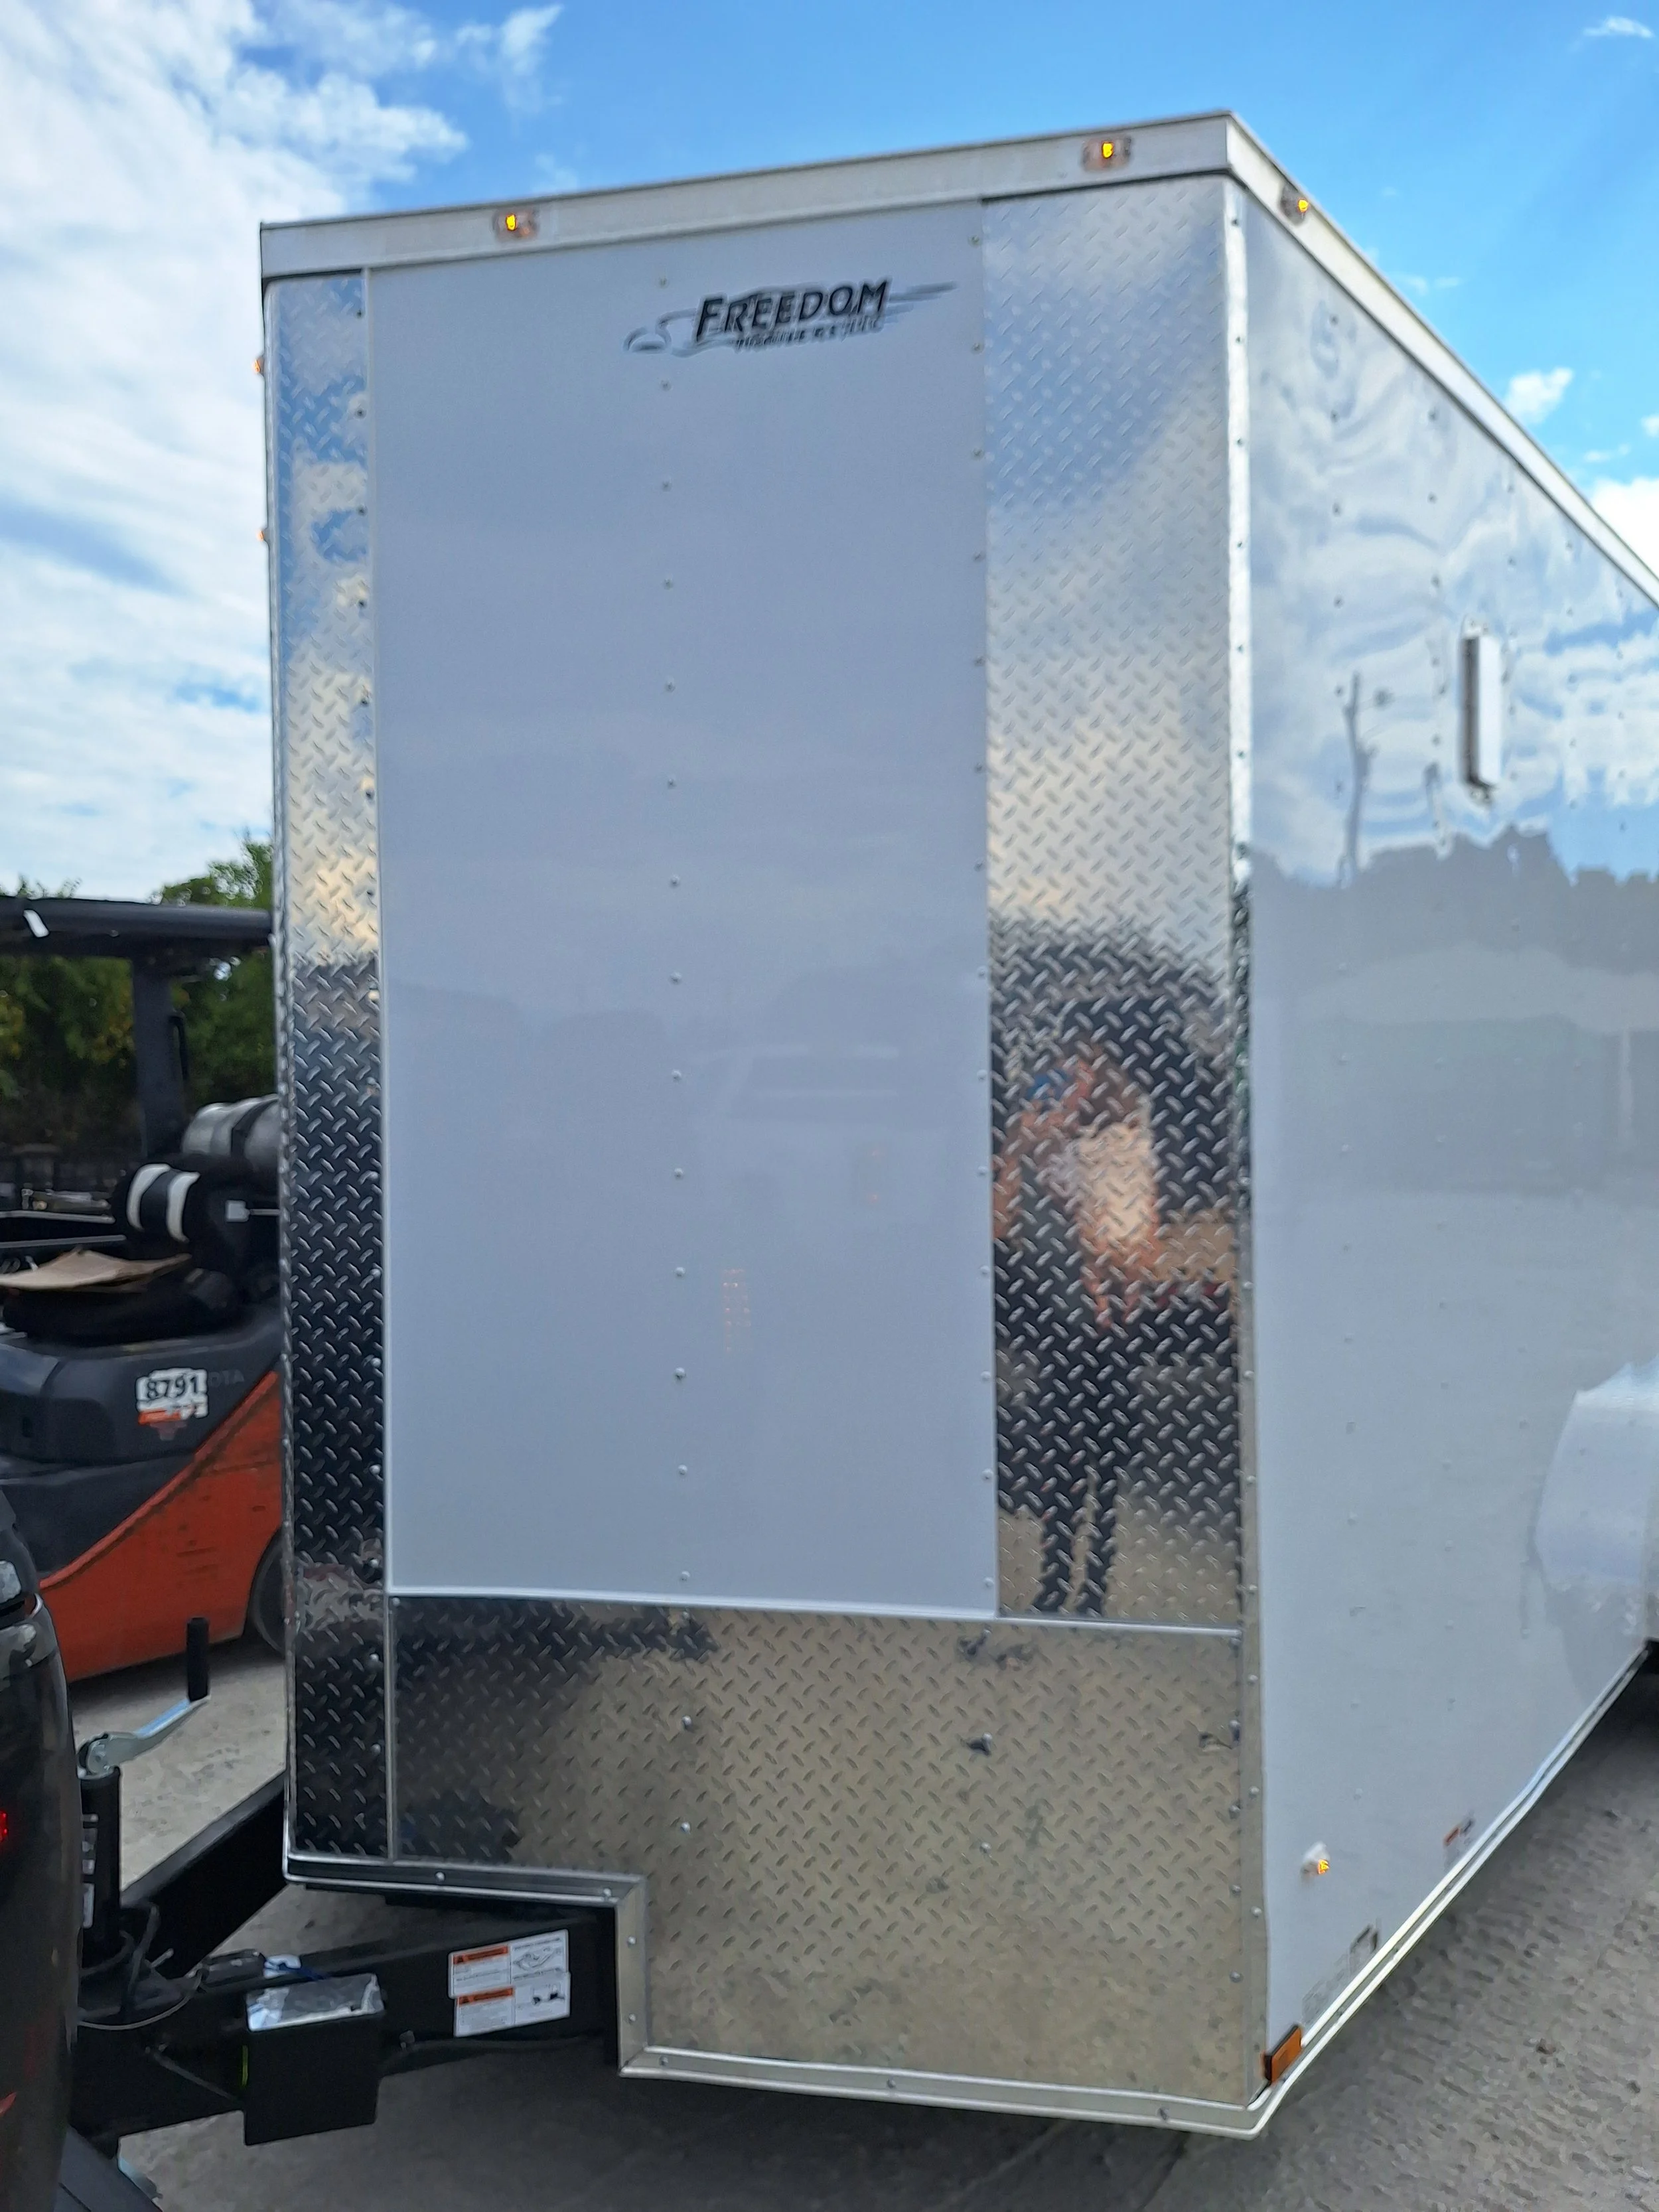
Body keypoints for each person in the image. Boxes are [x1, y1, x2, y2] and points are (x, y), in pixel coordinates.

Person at [993, 1028, 1161, 1613]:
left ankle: (1093, 1585)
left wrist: (1063, 1174)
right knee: (1060, 1469)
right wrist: (1022, 1147)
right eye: (1061, 1075)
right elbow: (1000, 1227)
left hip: (1108, 1330)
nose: (1065, 1087)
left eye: (1077, 1075)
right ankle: (1054, 1579)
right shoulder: (1048, 1151)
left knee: (1104, 1471)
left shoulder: (1122, 1148)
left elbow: (1128, 1240)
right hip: (1065, 1330)